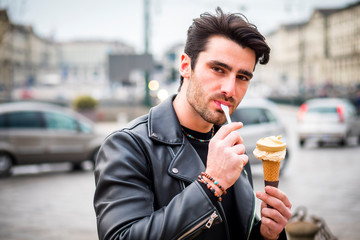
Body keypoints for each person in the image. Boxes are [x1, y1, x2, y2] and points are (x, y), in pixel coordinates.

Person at [94, 7, 292, 240]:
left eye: (242, 77)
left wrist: (267, 235)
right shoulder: (128, 146)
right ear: (186, 66)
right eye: (218, 69)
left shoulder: (231, 147)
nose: (230, 89)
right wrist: (210, 186)